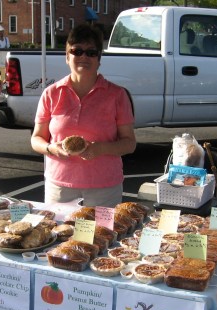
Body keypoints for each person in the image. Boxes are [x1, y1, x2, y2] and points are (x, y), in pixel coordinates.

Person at [30, 24, 137, 208]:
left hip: (104, 188)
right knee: (61, 235)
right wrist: (51, 148)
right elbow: (36, 138)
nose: (83, 57)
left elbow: (129, 143)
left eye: (91, 52)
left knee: (102, 236)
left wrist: (100, 149)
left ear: (99, 59)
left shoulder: (116, 95)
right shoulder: (51, 93)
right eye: (76, 51)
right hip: (60, 186)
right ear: (67, 56)